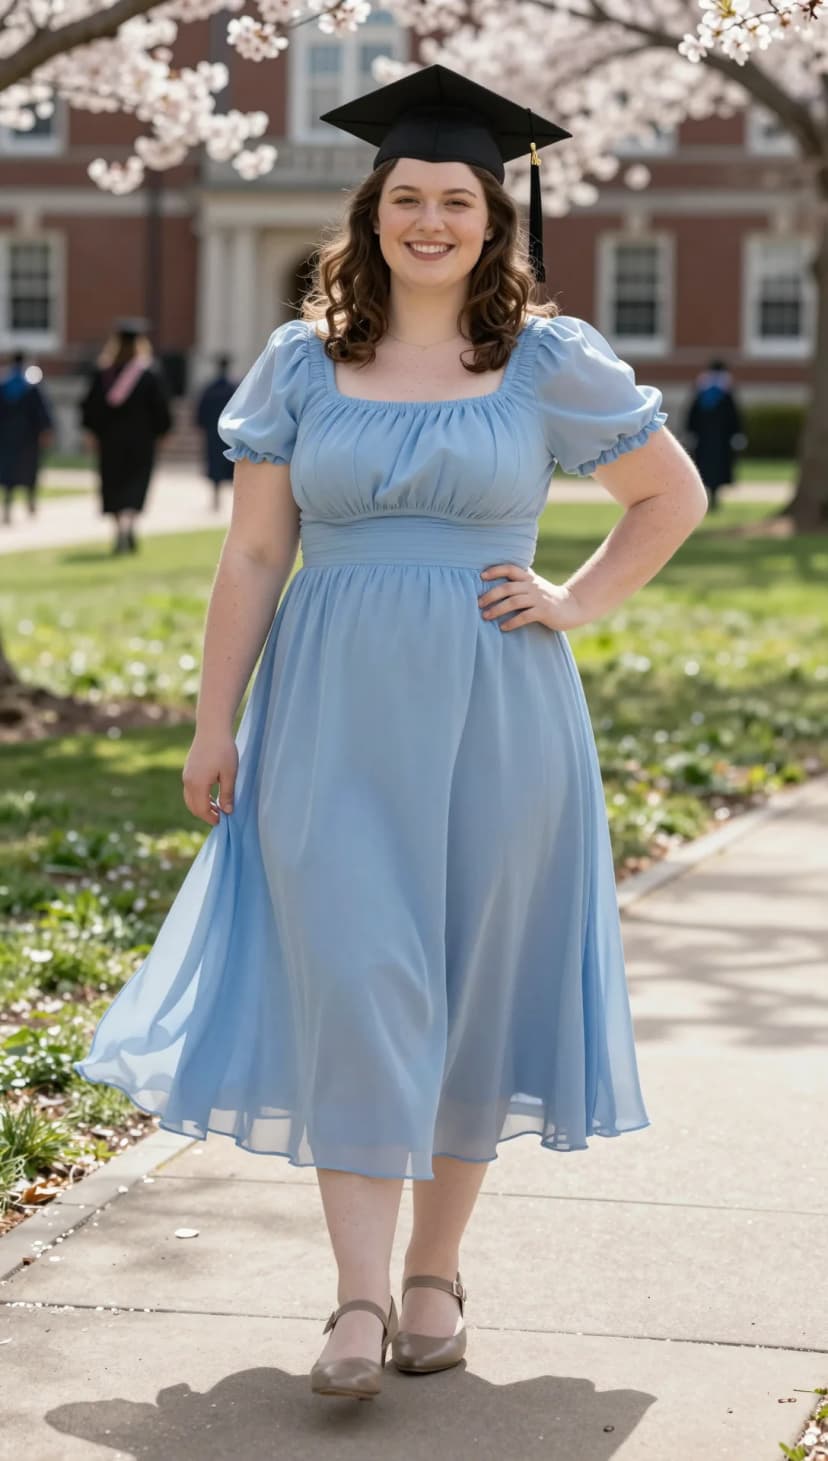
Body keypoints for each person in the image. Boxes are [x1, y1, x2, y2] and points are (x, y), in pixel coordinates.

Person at [73, 64, 708, 1403]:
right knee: (360, 983)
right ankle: (357, 1301)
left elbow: (671, 496)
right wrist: (212, 722)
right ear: (372, 212)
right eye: (408, 196)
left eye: (457, 199)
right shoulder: (303, 363)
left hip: (501, 711)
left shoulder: (547, 358)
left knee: (472, 986)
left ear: (494, 218)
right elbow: (252, 557)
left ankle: (436, 1274)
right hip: (328, 714)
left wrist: (574, 599)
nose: (431, 219)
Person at [79, 318, 172, 554]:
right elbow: (160, 408)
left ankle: (119, 526)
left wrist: (91, 432)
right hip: (141, 441)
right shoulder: (148, 374)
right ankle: (129, 523)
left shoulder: (103, 373)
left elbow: (90, 407)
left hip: (110, 441)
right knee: (135, 483)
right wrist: (163, 431)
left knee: (114, 483)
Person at [684, 357, 747, 510]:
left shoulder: (701, 389)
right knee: (718, 469)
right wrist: (738, 433)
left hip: (704, 439)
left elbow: (691, 414)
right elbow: (734, 415)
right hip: (721, 439)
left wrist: (690, 431)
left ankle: (706, 498)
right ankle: (714, 498)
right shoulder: (726, 390)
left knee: (704, 468)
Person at [0, 351, 53, 525]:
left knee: (8, 472)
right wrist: (46, 430)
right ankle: (30, 501)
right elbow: (41, 411)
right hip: (28, 436)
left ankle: (7, 506)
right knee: (29, 470)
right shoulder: (32, 385)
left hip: (6, 436)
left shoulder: (4, 384)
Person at [194, 355, 238, 510]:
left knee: (215, 467)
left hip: (213, 433)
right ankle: (236, 501)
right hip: (230, 434)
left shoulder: (209, 388)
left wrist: (202, 426)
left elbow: (201, 412)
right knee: (231, 467)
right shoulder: (235, 388)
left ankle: (216, 497)